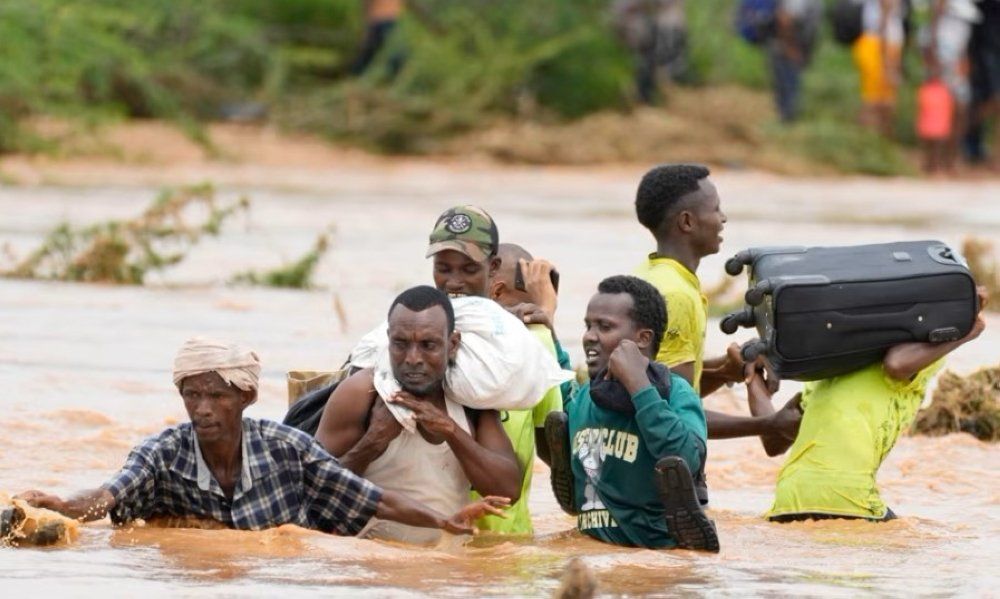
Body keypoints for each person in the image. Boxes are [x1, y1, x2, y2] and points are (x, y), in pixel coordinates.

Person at [16, 337, 507, 536]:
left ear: (247, 397)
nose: (203, 409)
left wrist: (442, 520)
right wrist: (61, 506)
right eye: (192, 395)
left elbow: (373, 499)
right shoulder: (162, 453)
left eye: (217, 396)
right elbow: (108, 496)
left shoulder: (288, 449)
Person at [632, 163, 803, 502]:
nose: (723, 219)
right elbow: (671, 419)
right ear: (687, 222)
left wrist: (724, 371)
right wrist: (766, 425)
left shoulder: (650, 274)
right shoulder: (677, 295)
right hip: (663, 483)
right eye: (715, 209)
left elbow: (654, 387)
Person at [750, 288, 987, 522]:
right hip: (850, 498)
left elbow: (774, 440)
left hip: (789, 499)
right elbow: (896, 364)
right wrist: (966, 331)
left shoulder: (827, 367)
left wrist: (751, 379)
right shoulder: (917, 359)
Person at [315, 286, 521, 545]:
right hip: (370, 564)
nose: (413, 358)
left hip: (448, 564)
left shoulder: (471, 399)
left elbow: (507, 492)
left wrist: (450, 430)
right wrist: (372, 443)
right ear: (389, 340)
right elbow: (312, 491)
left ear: (452, 345)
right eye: (401, 344)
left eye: (428, 345)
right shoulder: (361, 393)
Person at [424, 207, 566, 535]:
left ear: (493, 268)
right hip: (438, 539)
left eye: (469, 268)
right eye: (443, 268)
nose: (453, 281)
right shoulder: (417, 341)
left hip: (507, 540)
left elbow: (554, 451)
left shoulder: (534, 341)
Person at [552, 275, 717, 551]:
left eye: (604, 326)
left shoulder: (676, 393)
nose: (589, 336)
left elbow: (687, 459)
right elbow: (556, 379)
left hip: (657, 555)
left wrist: (639, 385)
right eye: (588, 325)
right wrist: (546, 329)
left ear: (642, 338)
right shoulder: (583, 397)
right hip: (594, 550)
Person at [918, 0, 980, 173]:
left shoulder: (966, 15)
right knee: (936, 115)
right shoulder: (940, 12)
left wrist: (964, 64)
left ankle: (950, 161)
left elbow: (963, 44)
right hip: (940, 65)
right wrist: (933, 64)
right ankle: (932, 162)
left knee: (960, 112)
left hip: (956, 67)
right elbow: (929, 34)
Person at [611, 0, 689, 104]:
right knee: (642, 60)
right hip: (634, 26)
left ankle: (649, 91)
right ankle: (642, 92)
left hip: (654, 28)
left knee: (649, 61)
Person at [853, 0, 906, 135]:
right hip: (880, 46)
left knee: (882, 99)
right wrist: (886, 60)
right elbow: (884, 21)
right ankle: (871, 138)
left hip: (883, 45)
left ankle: (876, 138)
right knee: (876, 101)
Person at [767, 0, 822, 122]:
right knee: (787, 80)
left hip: (792, 42)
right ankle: (787, 117)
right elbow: (785, 19)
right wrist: (790, 47)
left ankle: (787, 115)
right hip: (787, 43)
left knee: (787, 79)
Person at [351, 0, 405, 76]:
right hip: (383, 19)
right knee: (374, 49)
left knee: (372, 49)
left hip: (382, 19)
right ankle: (356, 72)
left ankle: (356, 72)